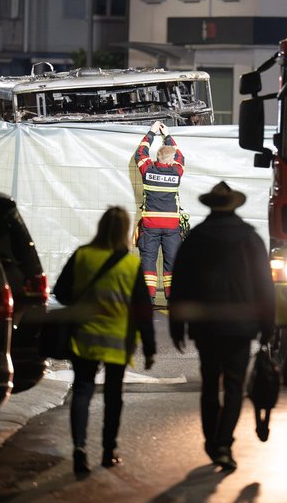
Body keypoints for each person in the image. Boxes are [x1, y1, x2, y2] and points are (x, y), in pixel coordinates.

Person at [169, 182, 275, 471]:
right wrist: (268, 324)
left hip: (206, 325)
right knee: (233, 385)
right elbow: (265, 286)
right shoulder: (250, 239)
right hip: (241, 325)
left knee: (209, 383)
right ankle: (224, 442)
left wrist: (177, 326)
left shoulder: (196, 238)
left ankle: (210, 441)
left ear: (210, 205)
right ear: (235, 206)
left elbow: (180, 284)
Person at [53, 206, 156, 474]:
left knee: (83, 390)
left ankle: (79, 448)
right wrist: (150, 347)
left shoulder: (83, 256)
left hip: (84, 338)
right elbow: (143, 309)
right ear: (124, 231)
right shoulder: (131, 264)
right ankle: (109, 451)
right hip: (118, 342)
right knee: (113, 397)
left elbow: (61, 293)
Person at [134, 120, 185, 304]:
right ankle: (172, 297)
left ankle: (149, 297)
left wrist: (151, 132)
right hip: (171, 226)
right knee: (172, 261)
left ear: (157, 158)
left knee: (148, 259)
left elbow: (140, 153)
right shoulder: (176, 172)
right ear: (170, 161)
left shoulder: (148, 170)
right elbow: (180, 157)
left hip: (150, 225)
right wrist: (168, 135)